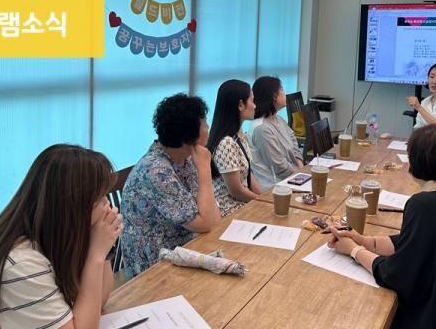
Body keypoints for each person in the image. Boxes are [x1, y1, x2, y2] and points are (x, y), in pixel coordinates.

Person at [0, 144, 121, 329]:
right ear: (71, 209)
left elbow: (98, 303)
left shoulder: (49, 238)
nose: (107, 205)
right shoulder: (20, 263)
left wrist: (101, 251)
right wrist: (96, 255)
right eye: (99, 198)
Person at [328, 124, 436, 329]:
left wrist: (354, 250)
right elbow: (417, 243)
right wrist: (367, 241)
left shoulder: (423, 204)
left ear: (417, 163)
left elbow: (397, 275)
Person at [121, 94, 221, 277]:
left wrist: (203, 169)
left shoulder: (186, 158)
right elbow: (205, 223)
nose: (208, 128)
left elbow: (213, 218)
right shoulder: (155, 170)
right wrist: (205, 169)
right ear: (188, 135)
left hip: (186, 246)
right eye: (204, 123)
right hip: (155, 265)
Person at [207, 80, 263, 217]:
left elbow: (248, 174)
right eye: (252, 101)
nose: (255, 106)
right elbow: (236, 191)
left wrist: (264, 199)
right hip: (230, 210)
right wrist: (262, 202)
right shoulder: (226, 143)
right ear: (240, 105)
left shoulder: (239, 134)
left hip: (243, 204)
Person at [247, 76, 304, 191]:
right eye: (281, 89)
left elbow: (293, 141)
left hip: (293, 178)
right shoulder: (261, 128)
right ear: (274, 96)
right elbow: (279, 166)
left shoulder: (277, 118)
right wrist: (300, 174)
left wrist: (300, 165)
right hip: (275, 187)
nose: (284, 93)